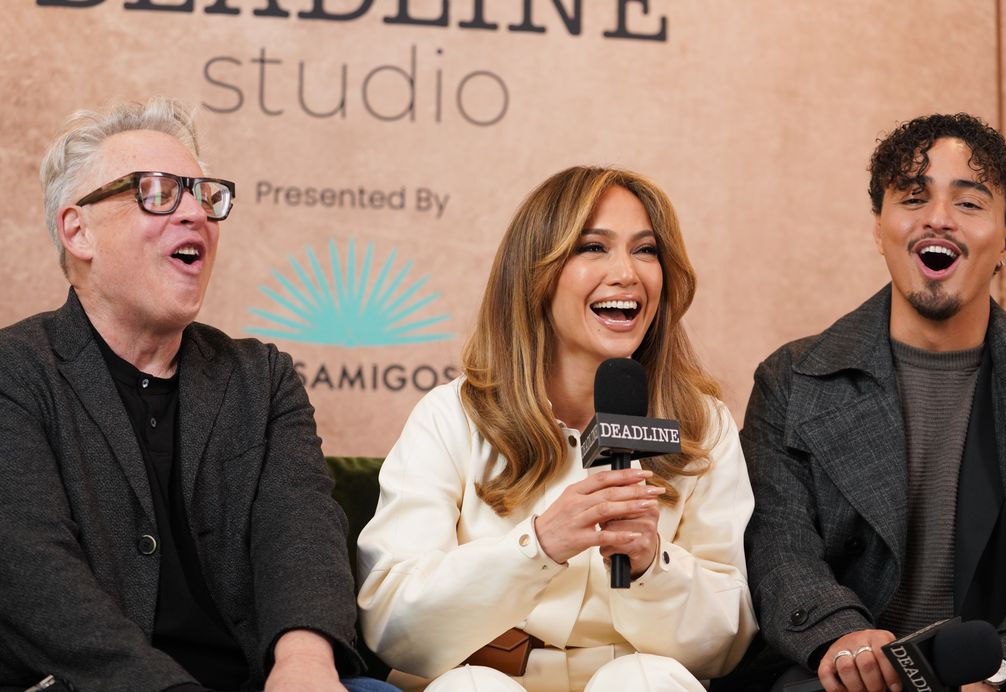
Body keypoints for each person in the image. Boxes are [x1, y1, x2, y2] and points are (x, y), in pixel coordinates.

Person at [0, 97, 396, 692]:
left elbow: (301, 538)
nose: (194, 214)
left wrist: (304, 666)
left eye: (204, 195)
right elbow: (33, 574)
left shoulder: (261, 377)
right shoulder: (16, 373)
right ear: (77, 230)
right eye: (157, 192)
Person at [356, 166, 757, 691]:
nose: (627, 274)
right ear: (535, 274)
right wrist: (536, 546)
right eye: (593, 248)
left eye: (645, 250)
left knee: (645, 682)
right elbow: (391, 623)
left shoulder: (702, 424)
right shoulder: (451, 416)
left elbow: (728, 643)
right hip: (484, 680)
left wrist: (651, 568)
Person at [741, 113, 1006, 692]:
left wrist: (1004, 667)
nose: (938, 218)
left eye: (969, 204)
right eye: (913, 198)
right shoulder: (791, 379)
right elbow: (779, 549)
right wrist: (842, 636)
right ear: (879, 228)